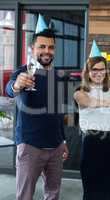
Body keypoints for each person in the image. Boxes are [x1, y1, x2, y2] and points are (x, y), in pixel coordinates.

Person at [5, 14, 69, 200]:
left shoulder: (58, 77)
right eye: (42, 46)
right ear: (32, 48)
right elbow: (10, 89)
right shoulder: (22, 73)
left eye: (51, 47)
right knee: (25, 195)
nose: (47, 51)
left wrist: (63, 141)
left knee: (53, 194)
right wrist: (17, 85)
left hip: (56, 147)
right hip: (30, 147)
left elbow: (58, 112)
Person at [74, 40, 110, 200]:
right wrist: (107, 103)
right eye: (94, 69)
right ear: (87, 71)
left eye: (101, 69)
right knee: (91, 193)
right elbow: (87, 102)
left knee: (108, 193)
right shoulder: (80, 91)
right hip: (91, 144)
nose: (98, 73)